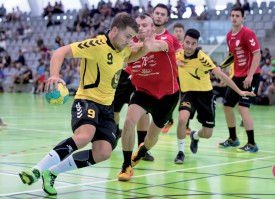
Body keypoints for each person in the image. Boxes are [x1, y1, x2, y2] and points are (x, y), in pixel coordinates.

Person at [18, 12, 151, 196]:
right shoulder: (96, 45)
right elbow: (60, 51)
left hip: (107, 108)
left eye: (132, 37)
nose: (130, 41)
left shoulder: (122, 49)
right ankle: (37, 169)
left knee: (104, 152)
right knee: (84, 136)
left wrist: (145, 45)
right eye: (127, 36)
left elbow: (132, 55)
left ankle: (52, 172)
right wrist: (55, 75)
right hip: (87, 100)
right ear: (114, 30)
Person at [117, 6, 180, 181]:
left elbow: (156, 46)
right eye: (139, 26)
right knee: (129, 121)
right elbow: (124, 64)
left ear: (152, 28)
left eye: (145, 25)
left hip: (168, 96)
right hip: (143, 93)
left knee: (152, 139)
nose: (142, 28)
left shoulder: (166, 39)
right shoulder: (129, 48)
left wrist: (142, 45)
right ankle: (126, 165)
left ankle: (143, 150)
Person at [175, 28, 256, 164]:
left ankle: (195, 136)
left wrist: (239, 91)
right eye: (187, 43)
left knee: (207, 134)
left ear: (197, 44)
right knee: (183, 119)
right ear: (183, 42)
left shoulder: (202, 58)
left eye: (193, 44)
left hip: (205, 95)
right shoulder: (177, 56)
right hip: (188, 94)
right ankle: (180, 152)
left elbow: (221, 75)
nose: (189, 46)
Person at [218, 6, 261, 152]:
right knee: (227, 106)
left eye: (237, 15)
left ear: (243, 18)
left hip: (251, 76)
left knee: (243, 107)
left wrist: (250, 75)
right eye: (232, 15)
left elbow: (257, 54)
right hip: (237, 76)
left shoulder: (247, 33)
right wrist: (221, 67)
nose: (234, 18)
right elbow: (232, 56)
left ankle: (252, 143)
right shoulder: (229, 36)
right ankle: (233, 139)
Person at [113, 64, 154, 161]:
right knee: (113, 109)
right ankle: (115, 132)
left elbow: (176, 49)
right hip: (125, 73)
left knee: (143, 111)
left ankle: (142, 148)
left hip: (145, 75)